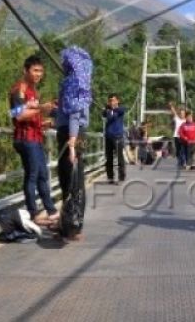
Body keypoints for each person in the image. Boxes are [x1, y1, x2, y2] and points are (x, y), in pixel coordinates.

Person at [9, 55, 59, 226]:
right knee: (33, 175)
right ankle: (34, 213)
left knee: (42, 175)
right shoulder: (19, 90)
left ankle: (51, 212)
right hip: (25, 139)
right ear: (26, 70)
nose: (39, 74)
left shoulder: (32, 91)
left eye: (41, 71)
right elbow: (18, 115)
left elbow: (31, 114)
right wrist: (42, 108)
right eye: (35, 70)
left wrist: (44, 122)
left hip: (35, 137)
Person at [54, 46, 93, 242]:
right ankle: (74, 225)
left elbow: (74, 114)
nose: (62, 64)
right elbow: (72, 111)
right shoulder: (84, 82)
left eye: (65, 61)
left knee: (67, 179)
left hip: (70, 134)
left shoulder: (71, 82)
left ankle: (67, 227)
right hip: (78, 133)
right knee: (77, 181)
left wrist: (71, 142)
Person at [102, 94, 126, 184]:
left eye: (113, 100)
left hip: (118, 137)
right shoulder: (107, 110)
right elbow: (104, 114)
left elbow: (120, 110)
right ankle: (110, 177)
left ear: (117, 101)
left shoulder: (121, 109)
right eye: (110, 100)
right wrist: (107, 109)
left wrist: (111, 109)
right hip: (108, 137)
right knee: (109, 158)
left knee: (120, 158)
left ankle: (121, 177)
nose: (111, 102)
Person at [168, 102, 186, 169]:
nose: (182, 115)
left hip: (184, 137)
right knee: (178, 150)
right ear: (180, 114)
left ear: (185, 114)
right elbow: (174, 112)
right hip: (176, 136)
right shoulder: (177, 119)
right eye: (181, 113)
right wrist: (171, 106)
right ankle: (179, 162)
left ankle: (183, 162)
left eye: (183, 113)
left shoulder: (186, 120)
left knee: (183, 150)